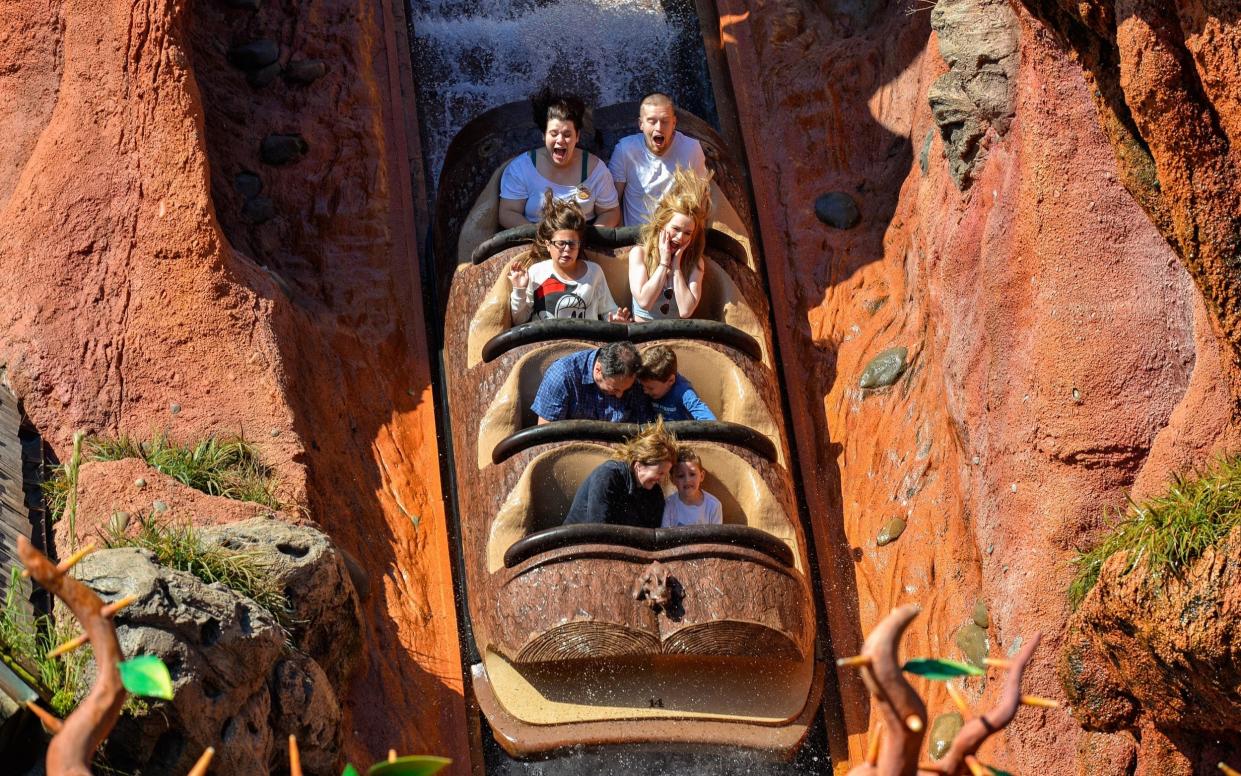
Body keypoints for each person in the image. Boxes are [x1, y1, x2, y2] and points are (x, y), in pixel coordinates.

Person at [499, 91, 620, 228]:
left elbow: (610, 212)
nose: (560, 140)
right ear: (544, 135)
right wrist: (540, 237)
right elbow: (508, 212)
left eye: (567, 134)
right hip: (533, 238)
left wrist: (589, 238)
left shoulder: (597, 169)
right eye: (554, 134)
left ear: (577, 136)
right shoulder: (521, 167)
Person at [509, 192, 631, 323]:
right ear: (548, 244)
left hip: (587, 341)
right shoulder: (536, 272)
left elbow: (608, 311)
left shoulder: (594, 272)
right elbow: (519, 320)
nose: (567, 249)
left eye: (572, 244)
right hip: (547, 342)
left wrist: (616, 319)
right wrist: (519, 290)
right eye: (561, 244)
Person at [607, 93, 709, 226]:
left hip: (675, 238)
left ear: (674, 123)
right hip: (635, 239)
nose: (659, 128)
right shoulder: (625, 150)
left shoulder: (692, 149)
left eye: (665, 121)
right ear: (641, 124)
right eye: (652, 121)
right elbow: (612, 206)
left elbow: (701, 202)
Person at [628, 168, 712, 320]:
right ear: (662, 225)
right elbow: (644, 302)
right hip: (643, 335)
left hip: (675, 336)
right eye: (676, 229)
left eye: (687, 233)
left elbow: (686, 311)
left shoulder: (695, 262)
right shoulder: (639, 253)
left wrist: (676, 268)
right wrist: (664, 264)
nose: (680, 238)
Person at [563, 419, 677, 528]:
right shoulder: (607, 476)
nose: (661, 479)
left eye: (664, 474)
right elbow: (598, 529)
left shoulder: (655, 494)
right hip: (579, 543)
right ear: (638, 466)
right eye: (660, 473)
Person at [531, 341, 645, 424]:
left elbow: (645, 423)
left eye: (626, 390)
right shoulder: (562, 377)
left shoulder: (633, 376)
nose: (620, 395)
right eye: (614, 389)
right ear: (599, 370)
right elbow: (547, 436)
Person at [637, 344, 715, 421]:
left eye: (650, 388)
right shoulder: (647, 383)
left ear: (670, 381)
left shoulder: (683, 393)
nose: (645, 391)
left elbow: (710, 422)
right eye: (642, 385)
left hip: (679, 430)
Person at [661, 447, 723, 528]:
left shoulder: (713, 505)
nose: (687, 480)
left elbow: (716, 538)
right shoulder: (669, 505)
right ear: (673, 479)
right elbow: (665, 537)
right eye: (681, 476)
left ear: (701, 476)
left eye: (692, 474)